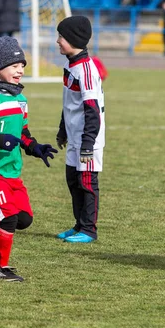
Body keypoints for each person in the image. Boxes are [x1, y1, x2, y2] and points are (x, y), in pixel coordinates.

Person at [0, 36, 57, 282]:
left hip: (12, 171)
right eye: (15, 65)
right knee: (8, 217)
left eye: (22, 65)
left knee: (23, 219)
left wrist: (34, 147)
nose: (21, 70)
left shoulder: (21, 100)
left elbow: (22, 134)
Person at [54, 16, 105, 244]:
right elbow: (69, 103)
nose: (57, 41)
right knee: (73, 181)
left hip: (87, 140)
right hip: (74, 136)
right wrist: (62, 130)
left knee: (87, 182)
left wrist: (88, 142)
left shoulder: (86, 70)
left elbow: (92, 110)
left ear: (73, 39)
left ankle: (89, 230)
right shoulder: (70, 65)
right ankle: (78, 225)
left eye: (61, 37)